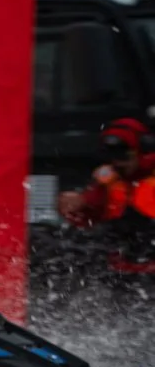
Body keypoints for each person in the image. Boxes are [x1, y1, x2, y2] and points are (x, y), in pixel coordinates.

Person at [56, 116, 155, 273]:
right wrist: (76, 205)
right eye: (113, 156)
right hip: (118, 270)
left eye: (124, 156)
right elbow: (90, 215)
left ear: (144, 152)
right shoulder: (107, 180)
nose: (118, 163)